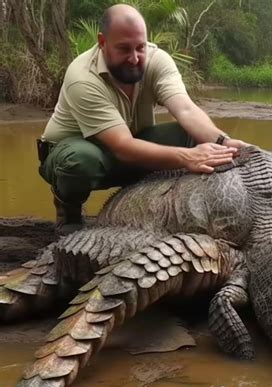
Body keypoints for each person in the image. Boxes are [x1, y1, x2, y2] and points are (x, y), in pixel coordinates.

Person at [38, 3, 247, 235]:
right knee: (80, 161)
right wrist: (187, 157)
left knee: (191, 135)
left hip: (129, 146)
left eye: (140, 47)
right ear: (102, 42)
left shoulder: (157, 60)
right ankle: (69, 211)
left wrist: (223, 143)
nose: (135, 58)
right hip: (79, 155)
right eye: (124, 49)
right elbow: (122, 146)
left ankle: (168, 206)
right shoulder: (82, 78)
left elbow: (186, 109)